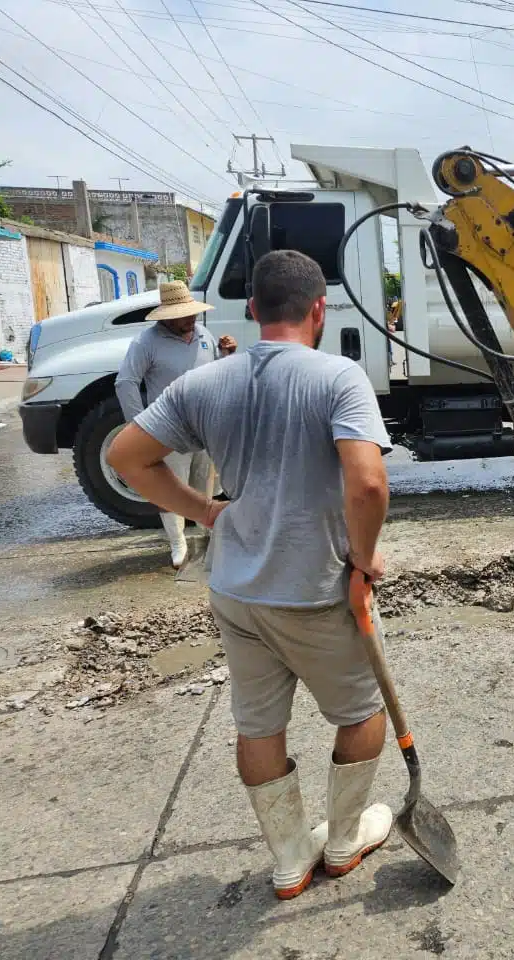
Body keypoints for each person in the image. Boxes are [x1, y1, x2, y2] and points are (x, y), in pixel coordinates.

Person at [106, 250, 394, 900]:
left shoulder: (205, 383)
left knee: (259, 725)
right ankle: (343, 842)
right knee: (361, 711)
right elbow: (369, 484)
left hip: (236, 588)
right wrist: (365, 559)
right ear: (319, 309)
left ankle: (291, 859)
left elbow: (127, 456)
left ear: (255, 310)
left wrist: (205, 512)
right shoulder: (339, 378)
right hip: (316, 590)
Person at [115, 281, 236, 568]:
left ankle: (208, 538)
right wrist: (140, 425)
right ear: (166, 315)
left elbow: (217, 372)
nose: (190, 319)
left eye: (192, 313)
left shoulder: (203, 334)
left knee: (203, 483)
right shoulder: (146, 342)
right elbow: (126, 382)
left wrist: (227, 354)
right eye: (183, 315)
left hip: (205, 425)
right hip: (169, 427)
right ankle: (177, 542)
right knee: (171, 487)